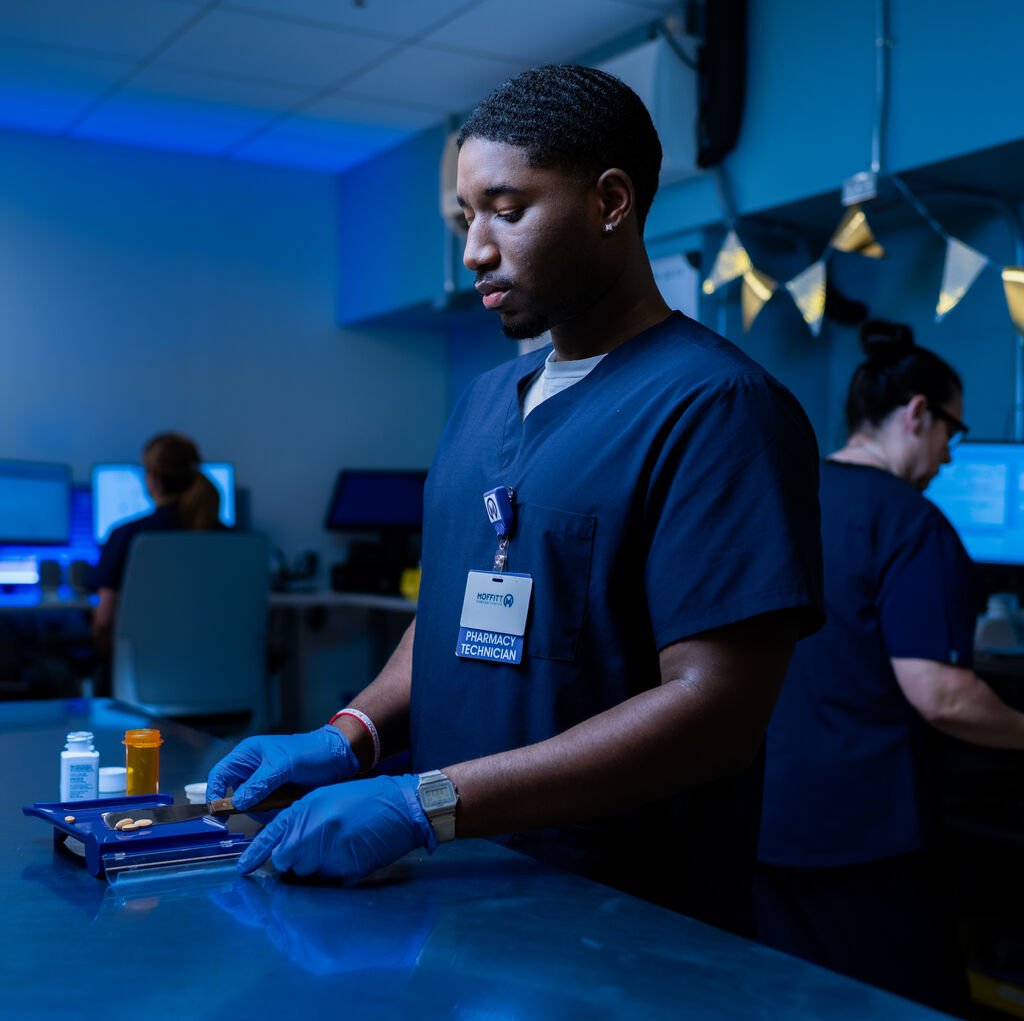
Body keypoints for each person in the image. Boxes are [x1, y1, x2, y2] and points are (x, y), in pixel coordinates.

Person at [208, 64, 824, 934]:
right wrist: (352, 732)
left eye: (507, 209)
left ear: (610, 203)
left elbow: (715, 707)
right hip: (450, 881)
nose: (473, 251)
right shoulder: (486, 402)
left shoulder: (716, 408)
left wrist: (428, 802)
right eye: (467, 219)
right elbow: (452, 610)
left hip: (616, 912)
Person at [757, 320, 1024, 1016]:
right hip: (864, 838)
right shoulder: (911, 523)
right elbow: (942, 696)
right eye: (952, 434)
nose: (947, 457)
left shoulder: (784, 498)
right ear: (916, 414)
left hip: (763, 816)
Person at [91, 431, 220, 654]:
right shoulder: (234, 539)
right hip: (220, 670)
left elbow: (103, 622)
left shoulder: (128, 536)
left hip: (144, 674)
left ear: (151, 477)